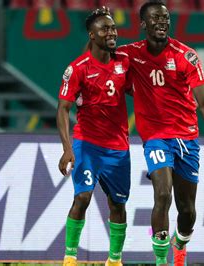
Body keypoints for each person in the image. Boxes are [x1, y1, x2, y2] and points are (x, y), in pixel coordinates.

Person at [116, 1, 204, 265]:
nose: (162, 23)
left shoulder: (186, 55)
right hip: (155, 138)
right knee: (162, 194)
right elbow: (102, 62)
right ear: (143, 23)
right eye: (155, 19)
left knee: (187, 211)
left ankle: (181, 243)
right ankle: (162, 261)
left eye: (165, 19)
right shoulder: (129, 54)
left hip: (186, 138)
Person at [57, 8, 131, 266]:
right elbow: (63, 109)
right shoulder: (78, 68)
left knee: (118, 205)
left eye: (113, 28)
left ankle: (114, 260)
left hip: (119, 148)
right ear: (92, 34)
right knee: (82, 197)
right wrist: (68, 148)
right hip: (87, 144)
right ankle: (69, 257)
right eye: (104, 29)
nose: (111, 33)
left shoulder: (124, 62)